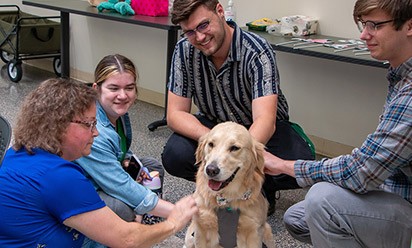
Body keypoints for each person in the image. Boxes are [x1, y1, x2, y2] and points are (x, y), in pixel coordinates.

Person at [264, 0, 412, 247]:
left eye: (374, 25)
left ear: (409, 26)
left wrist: (285, 166)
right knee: (299, 218)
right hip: (393, 190)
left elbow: (360, 171)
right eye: (364, 25)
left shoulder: (409, 96)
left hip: (406, 207)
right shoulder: (400, 74)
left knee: (323, 201)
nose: (364, 35)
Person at [0, 78, 197, 247]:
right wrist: (174, 222)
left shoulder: (19, 152)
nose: (96, 132)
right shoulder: (58, 176)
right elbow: (126, 239)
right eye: (89, 124)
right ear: (58, 126)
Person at [161, 0, 315, 214]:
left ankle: (260, 188)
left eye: (204, 25)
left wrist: (236, 151)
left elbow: (265, 120)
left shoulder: (257, 51)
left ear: (220, 12)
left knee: (300, 162)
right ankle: (220, 187)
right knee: (175, 154)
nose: (199, 37)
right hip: (215, 126)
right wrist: (216, 145)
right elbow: (175, 114)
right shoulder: (184, 50)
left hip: (261, 131)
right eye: (189, 32)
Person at [74, 54, 176, 247]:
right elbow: (119, 186)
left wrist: (127, 158)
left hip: (101, 174)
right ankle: (128, 232)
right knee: (122, 207)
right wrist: (177, 213)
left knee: (152, 167)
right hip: (85, 186)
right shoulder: (96, 132)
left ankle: (145, 225)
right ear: (97, 89)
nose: (123, 95)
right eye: (113, 88)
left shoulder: (113, 113)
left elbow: (118, 148)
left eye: (129, 88)